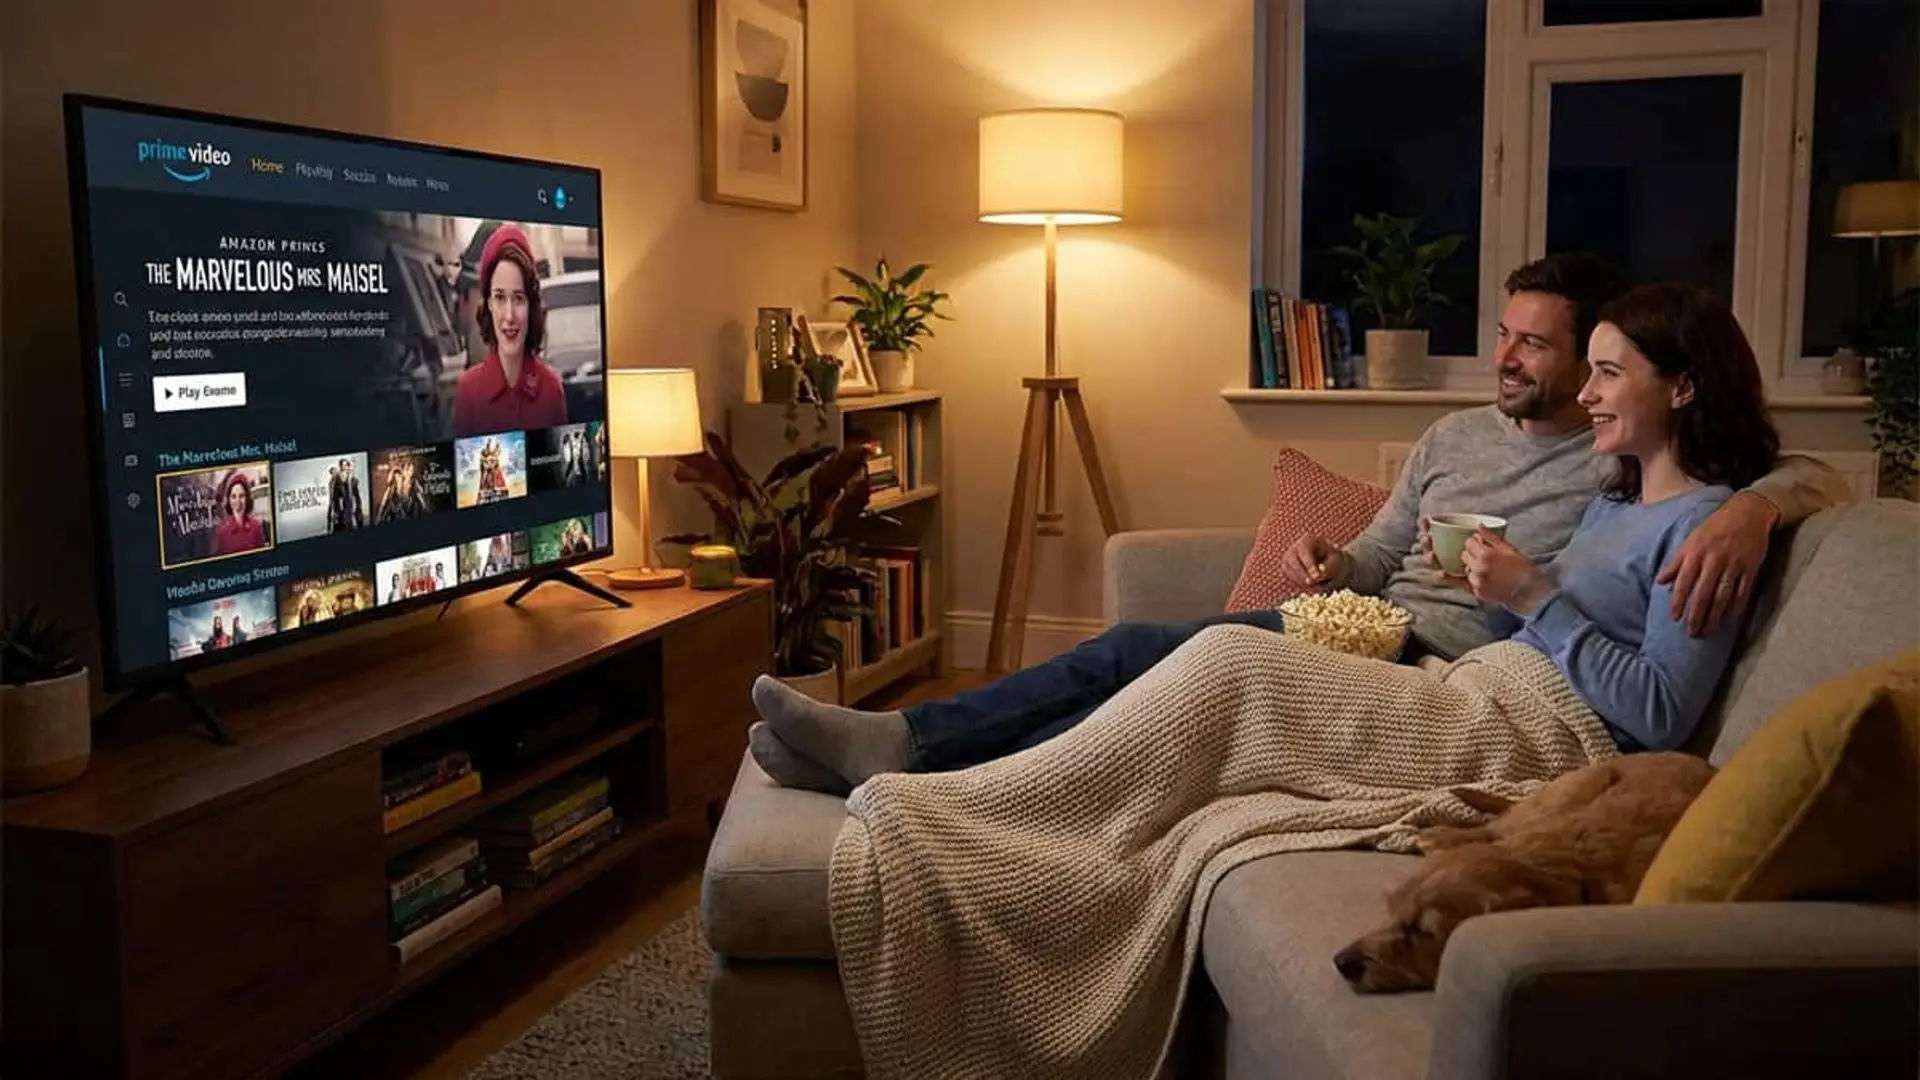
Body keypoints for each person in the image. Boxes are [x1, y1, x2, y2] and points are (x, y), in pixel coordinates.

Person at [823, 282, 1793, 1080]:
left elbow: (1661, 713)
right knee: (1209, 656)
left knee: (1225, 662)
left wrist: (1539, 592)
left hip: (1544, 732)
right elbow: (1539, 623)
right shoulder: (1619, 500)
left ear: (1685, 388)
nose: (1588, 394)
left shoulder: (1705, 531)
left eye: (1609, 372)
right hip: (1487, 678)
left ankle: (955, 809)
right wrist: (1494, 589)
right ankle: (965, 796)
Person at [748, 256, 1851, 793]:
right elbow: (1375, 559)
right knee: (1142, 655)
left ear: (1605, 373)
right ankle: (910, 750)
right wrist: (1337, 559)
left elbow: (1781, 470)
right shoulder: (1464, 438)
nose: (1510, 359)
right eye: (1503, 336)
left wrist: (1760, 504)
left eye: (1545, 348)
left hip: (1458, 666)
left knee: (1171, 669)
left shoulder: (1614, 463)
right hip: (1365, 631)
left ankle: (924, 769)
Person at [451, 223, 567, 438]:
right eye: (500, 297)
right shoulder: (468, 391)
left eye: (519, 298)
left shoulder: (552, 388)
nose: (509, 315)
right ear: (488, 305)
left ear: (531, 306)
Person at [211, 469, 269, 555]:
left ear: (247, 499)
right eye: (234, 496)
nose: (238, 501)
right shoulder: (222, 533)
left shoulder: (256, 527)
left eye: (241, 496)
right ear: (229, 500)